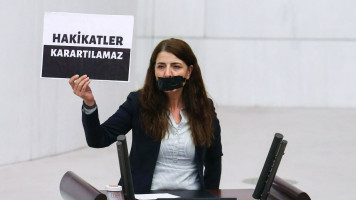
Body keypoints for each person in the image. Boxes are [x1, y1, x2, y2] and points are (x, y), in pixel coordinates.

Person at [69, 38, 222, 193]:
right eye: (161, 66)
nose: (167, 73)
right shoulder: (138, 103)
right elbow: (98, 139)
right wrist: (89, 103)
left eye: (176, 67)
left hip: (191, 196)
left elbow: (214, 160)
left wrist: (209, 196)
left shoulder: (205, 107)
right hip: (146, 196)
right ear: (154, 71)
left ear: (189, 72)